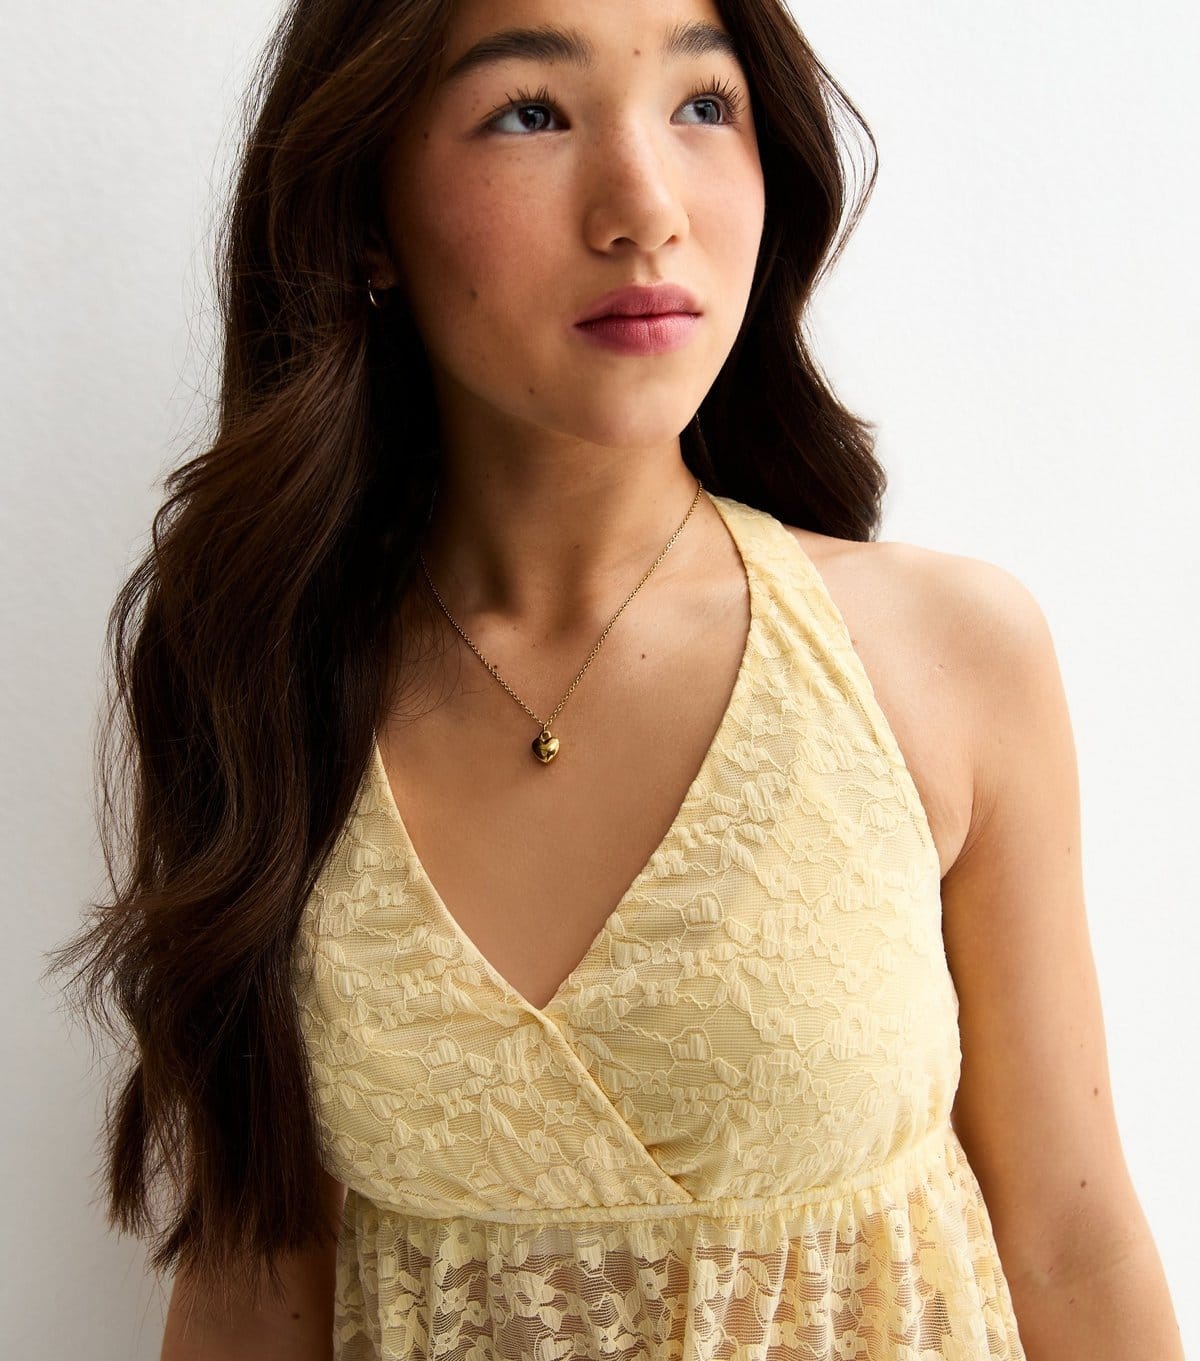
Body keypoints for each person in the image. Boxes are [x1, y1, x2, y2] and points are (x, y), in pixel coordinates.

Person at [46, 1, 1184, 1358]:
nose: (646, 207)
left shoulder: (945, 654)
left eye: (703, 105)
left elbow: (1070, 1242)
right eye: (530, 112)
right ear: (364, 217)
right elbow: (254, 1277)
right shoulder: (257, 676)